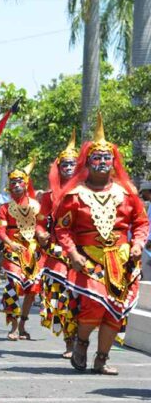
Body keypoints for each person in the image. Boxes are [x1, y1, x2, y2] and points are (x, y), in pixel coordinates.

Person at [54, 114, 149, 375]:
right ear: (87, 161)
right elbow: (62, 228)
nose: (103, 162)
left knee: (115, 312)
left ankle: (102, 358)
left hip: (121, 261)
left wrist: (138, 243)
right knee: (94, 305)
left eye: (107, 158)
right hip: (89, 260)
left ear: (114, 161)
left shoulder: (127, 192)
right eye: (97, 157)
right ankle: (81, 344)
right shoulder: (74, 196)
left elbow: (141, 223)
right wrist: (72, 252)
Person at [38, 131, 80, 358]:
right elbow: (39, 222)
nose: (69, 167)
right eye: (65, 163)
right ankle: (69, 341)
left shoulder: (88, 191)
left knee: (85, 300)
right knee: (62, 297)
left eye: (73, 163)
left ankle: (82, 342)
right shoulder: (48, 196)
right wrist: (41, 233)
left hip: (86, 251)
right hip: (57, 253)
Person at [0, 160, 45, 341]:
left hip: (32, 251)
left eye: (20, 182)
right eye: (13, 182)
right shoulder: (4, 208)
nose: (16, 185)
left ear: (26, 184)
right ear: (9, 186)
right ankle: (14, 326)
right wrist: (10, 242)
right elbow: (1, 231)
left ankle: (23, 325)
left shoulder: (36, 206)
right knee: (13, 285)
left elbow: (42, 226)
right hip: (13, 250)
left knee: (33, 290)